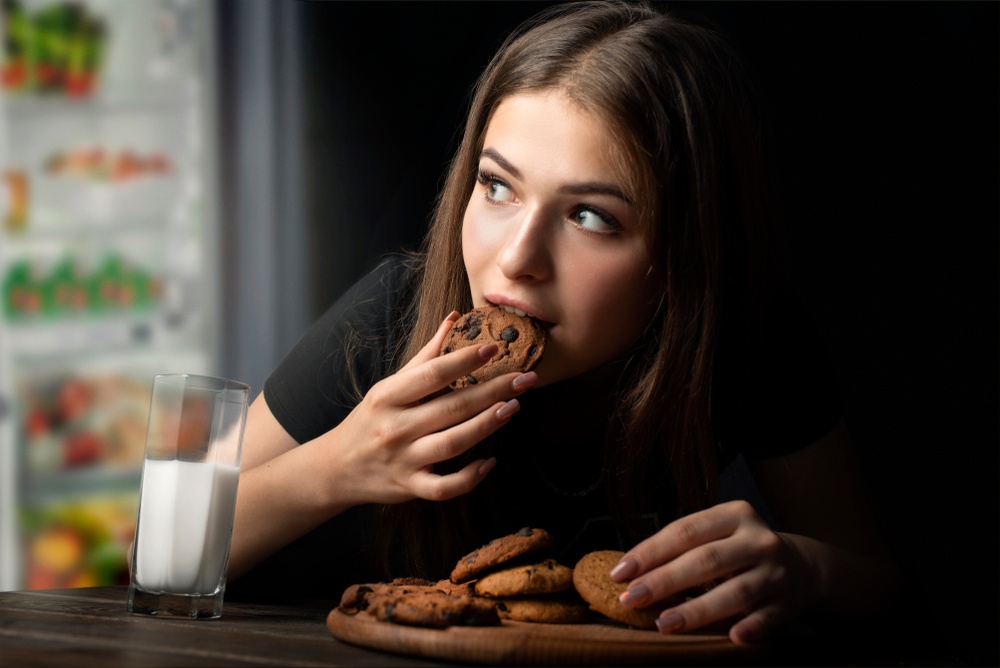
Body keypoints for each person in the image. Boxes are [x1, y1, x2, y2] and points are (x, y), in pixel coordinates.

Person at [224, 0, 901, 645]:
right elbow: (146, 550)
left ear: (685, 254)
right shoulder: (391, 318)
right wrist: (338, 464)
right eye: (497, 186)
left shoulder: (748, 341)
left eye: (590, 217)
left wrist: (808, 570)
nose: (517, 258)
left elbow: (887, 595)